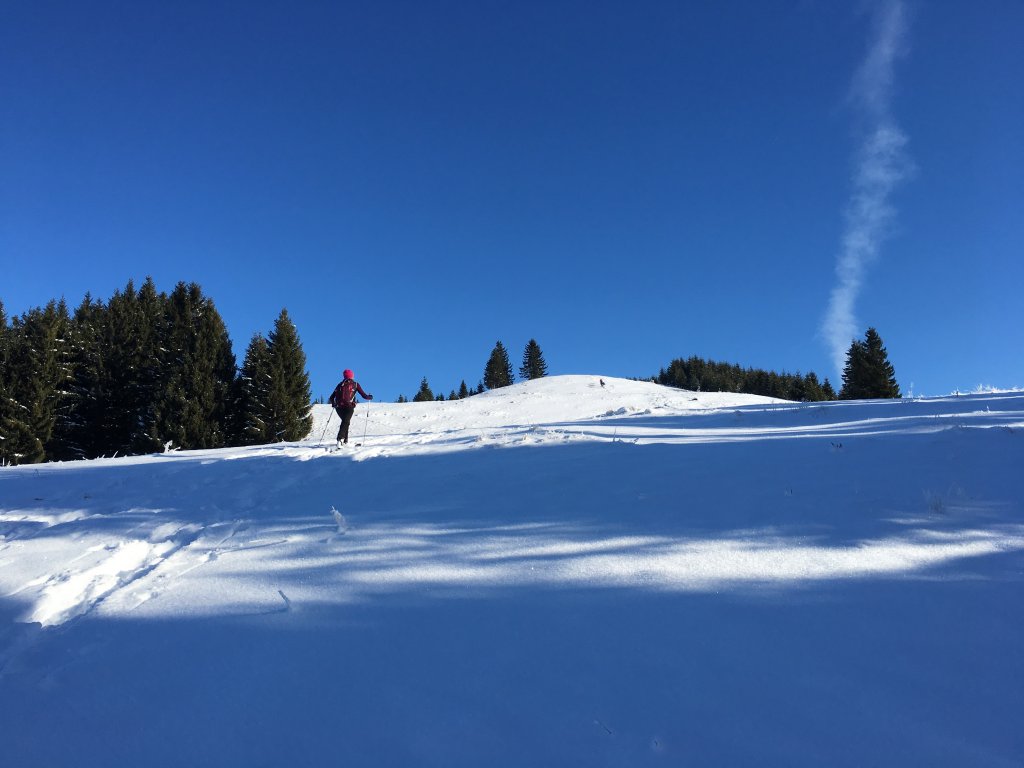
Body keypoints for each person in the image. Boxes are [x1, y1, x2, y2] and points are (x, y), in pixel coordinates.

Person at [328, 369, 373, 447]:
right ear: (352, 376)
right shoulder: (355, 384)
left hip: (339, 408)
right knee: (346, 422)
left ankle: (345, 441)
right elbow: (364, 395)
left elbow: (331, 397)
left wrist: (334, 404)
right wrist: (370, 397)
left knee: (345, 422)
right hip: (349, 406)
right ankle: (340, 439)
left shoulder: (340, 385)